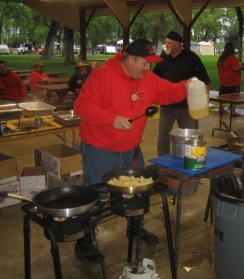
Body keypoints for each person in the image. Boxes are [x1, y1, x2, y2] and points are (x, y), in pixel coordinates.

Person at [74, 38, 190, 261]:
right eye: (145, 63)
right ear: (130, 59)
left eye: (150, 64)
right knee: (96, 194)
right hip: (100, 148)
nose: (149, 68)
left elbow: (168, 92)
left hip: (131, 148)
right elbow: (82, 106)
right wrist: (112, 119)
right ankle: (85, 240)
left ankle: (135, 228)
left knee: (137, 191)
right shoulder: (102, 76)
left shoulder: (147, 78)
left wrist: (186, 87)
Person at [153, 31, 210, 156]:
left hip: (186, 104)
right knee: (163, 133)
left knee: (191, 133)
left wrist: (206, 96)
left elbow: (204, 77)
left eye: (170, 43)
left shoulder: (191, 57)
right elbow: (153, 78)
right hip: (167, 104)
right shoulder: (163, 58)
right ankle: (162, 159)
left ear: (178, 44)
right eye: (166, 42)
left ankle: (193, 157)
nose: (167, 45)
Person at [216, 42, 244, 117]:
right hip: (233, 82)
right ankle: (233, 111)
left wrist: (221, 77)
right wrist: (241, 67)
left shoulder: (221, 58)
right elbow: (235, 68)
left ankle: (221, 109)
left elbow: (218, 69)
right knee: (234, 97)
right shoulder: (232, 58)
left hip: (223, 81)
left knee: (222, 96)